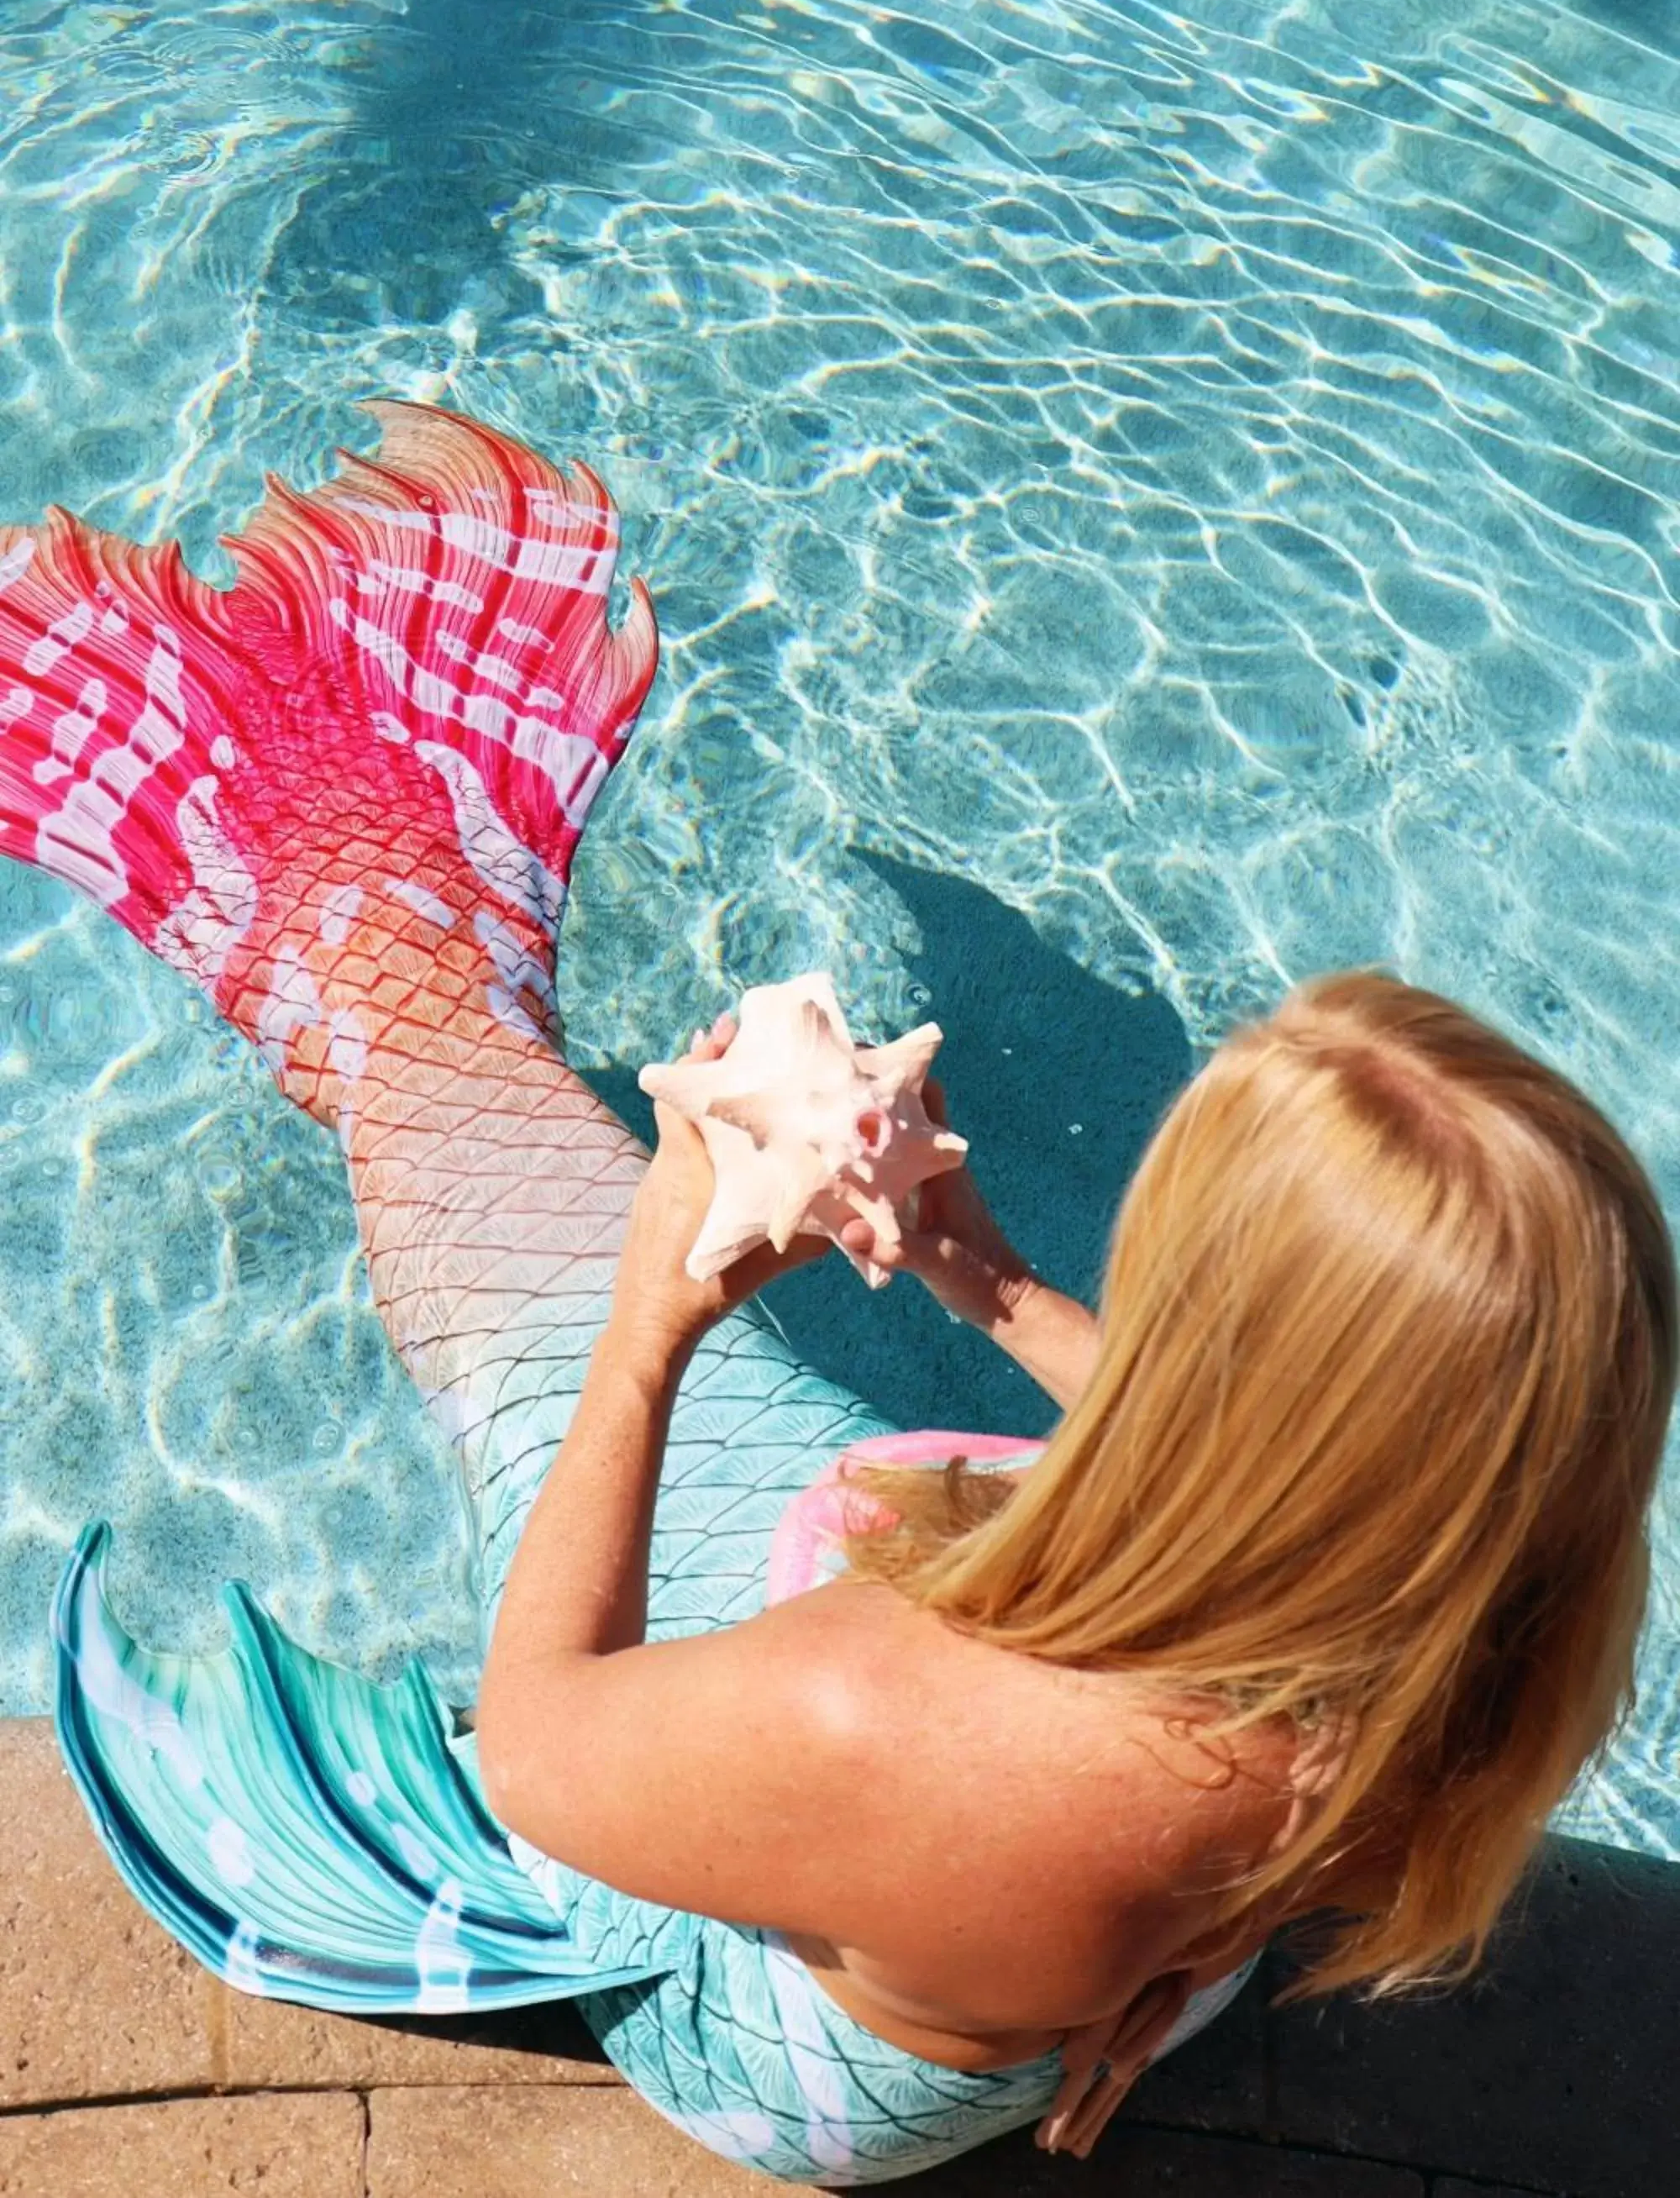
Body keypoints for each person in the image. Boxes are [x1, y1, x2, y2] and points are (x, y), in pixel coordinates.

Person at [6, 406, 1674, 2185]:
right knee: (884, 1487)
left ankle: (364, 943)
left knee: (594, 1411)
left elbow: (549, 1759)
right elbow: (1256, 1469)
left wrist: (654, 1325)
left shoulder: (887, 1712)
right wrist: (992, 1280)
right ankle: (406, 951)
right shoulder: (1469, 1648)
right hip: (1116, 1961)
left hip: (776, 2050)